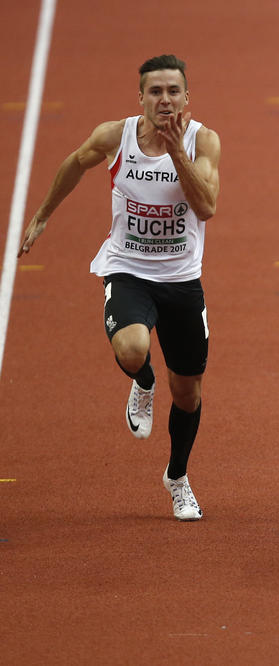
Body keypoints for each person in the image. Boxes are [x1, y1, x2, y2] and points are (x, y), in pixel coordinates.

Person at [18, 54, 221, 522]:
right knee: (132, 350)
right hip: (128, 269)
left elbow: (207, 206)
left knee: (188, 393)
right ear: (141, 98)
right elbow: (75, 162)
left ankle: (177, 477)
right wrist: (44, 213)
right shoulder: (117, 135)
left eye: (173, 91)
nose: (165, 100)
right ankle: (143, 381)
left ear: (187, 97)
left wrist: (175, 153)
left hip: (181, 280)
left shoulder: (202, 141)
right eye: (156, 91)